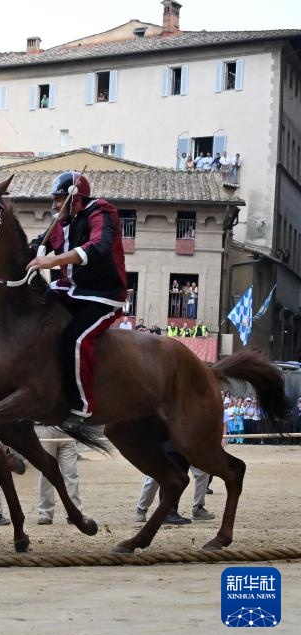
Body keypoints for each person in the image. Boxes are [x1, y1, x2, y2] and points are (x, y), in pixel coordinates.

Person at [26, 172, 127, 431]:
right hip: (68, 290)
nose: (54, 206)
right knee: (33, 319)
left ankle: (81, 407)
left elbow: (99, 245)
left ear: (75, 199)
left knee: (76, 338)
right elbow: (38, 248)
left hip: (102, 295)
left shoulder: (101, 211)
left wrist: (53, 261)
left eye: (59, 200)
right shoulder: (59, 222)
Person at [134, 442, 216, 523]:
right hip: (166, 443)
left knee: (203, 471)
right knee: (156, 476)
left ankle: (198, 508)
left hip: (189, 444)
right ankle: (141, 509)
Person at [36, 427, 83, 525]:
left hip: (67, 429)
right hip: (46, 428)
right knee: (46, 474)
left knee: (71, 474)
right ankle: (45, 513)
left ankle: (74, 512)